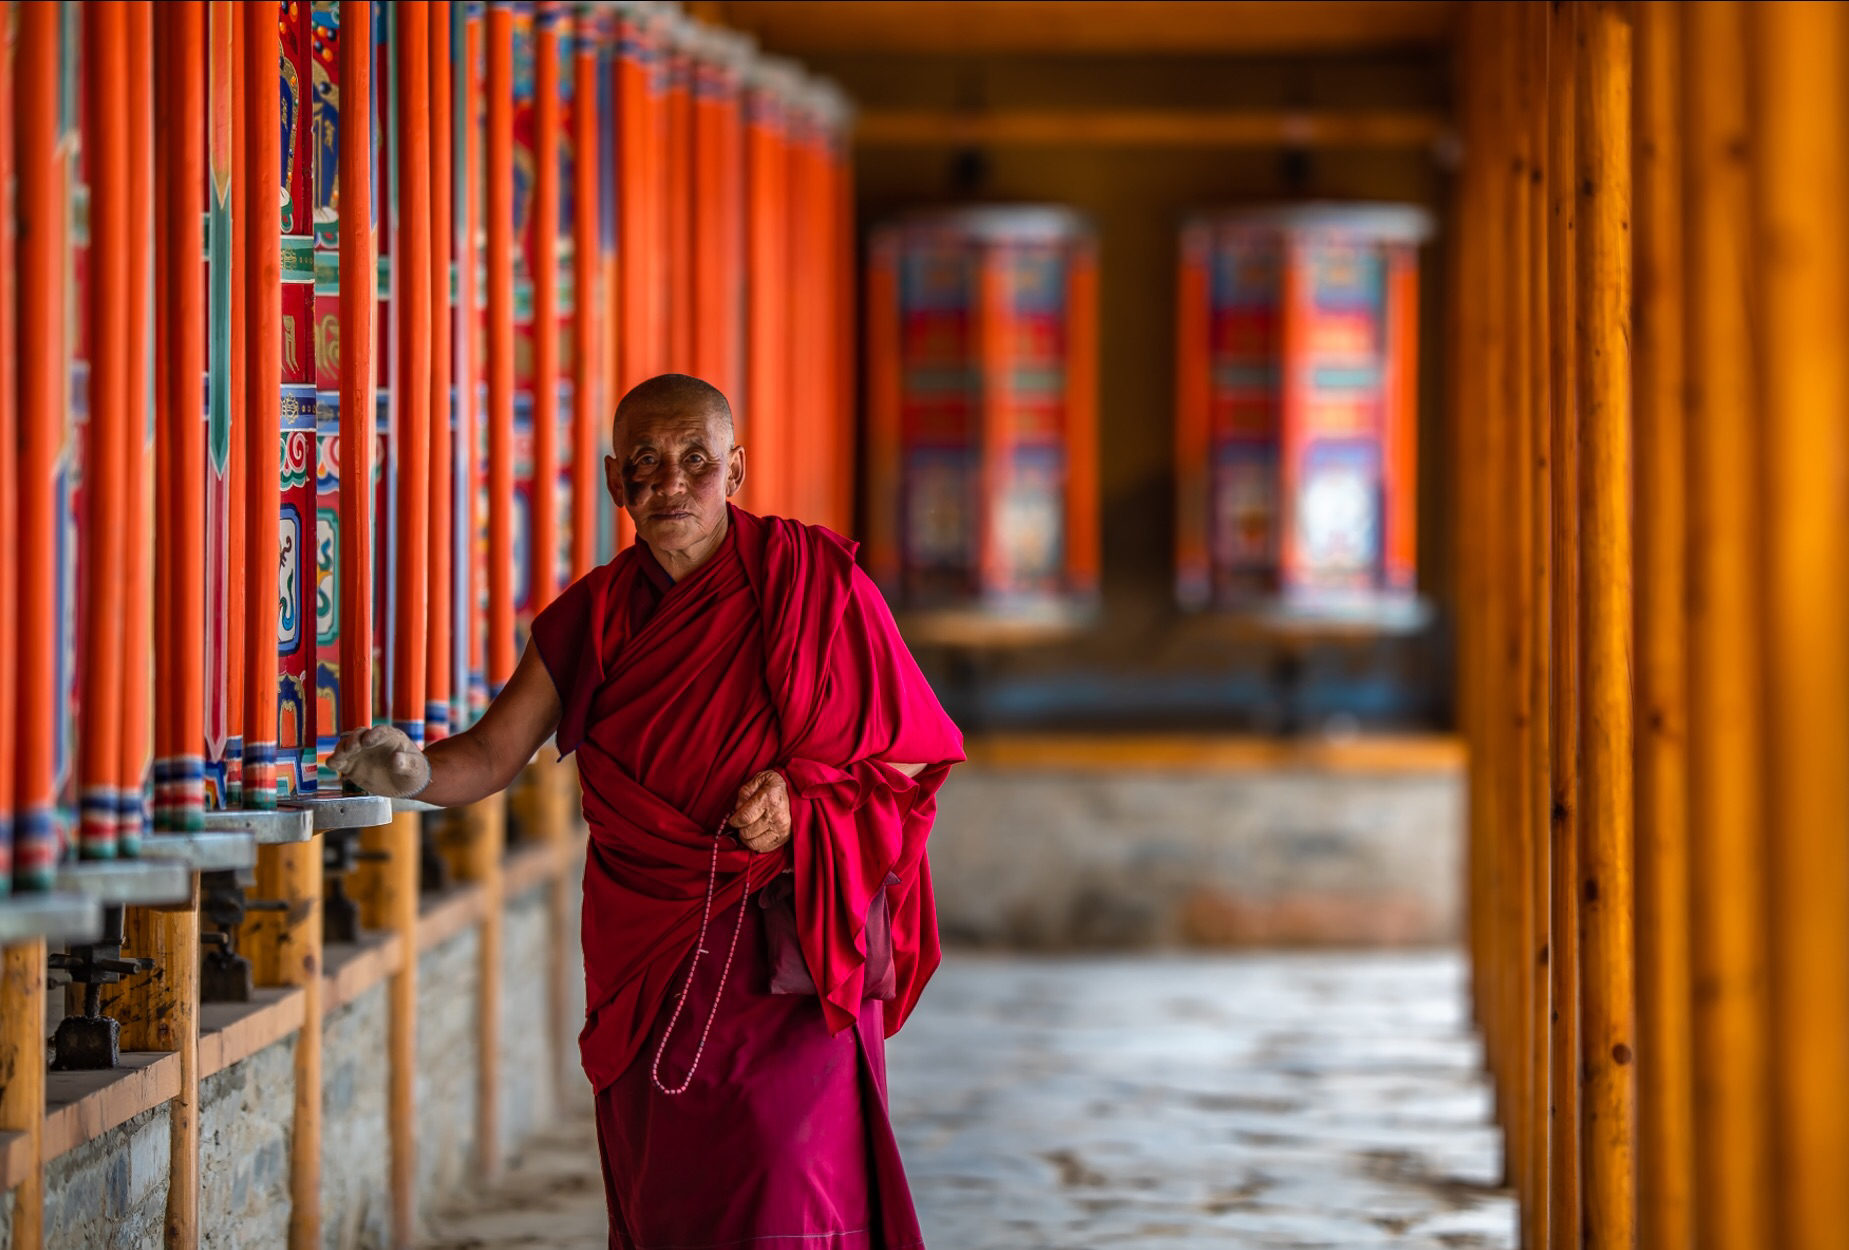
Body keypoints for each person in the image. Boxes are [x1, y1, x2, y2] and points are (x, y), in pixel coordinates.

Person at [329, 373, 963, 1249]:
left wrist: (803, 798)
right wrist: (407, 773)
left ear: (735, 470)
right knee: (675, 1189)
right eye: (646, 463)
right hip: (651, 958)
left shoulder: (812, 584)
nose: (670, 482)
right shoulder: (589, 619)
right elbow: (488, 755)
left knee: (788, 1174)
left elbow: (908, 755)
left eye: (695, 460)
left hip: (787, 947)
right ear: (612, 480)